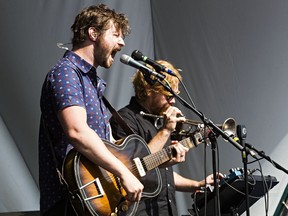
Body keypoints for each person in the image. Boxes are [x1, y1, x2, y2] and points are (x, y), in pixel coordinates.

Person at [38, 4, 144, 216]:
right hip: (69, 204)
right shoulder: (66, 72)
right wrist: (123, 172)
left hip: (93, 202)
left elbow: (106, 143)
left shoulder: (91, 81)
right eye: (116, 35)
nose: (122, 43)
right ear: (93, 33)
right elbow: (77, 131)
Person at [110, 60, 219, 216]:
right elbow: (137, 167)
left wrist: (197, 184)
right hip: (140, 211)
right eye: (168, 96)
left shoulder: (158, 121)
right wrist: (166, 130)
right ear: (149, 89)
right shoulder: (124, 119)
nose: (173, 101)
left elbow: (163, 174)